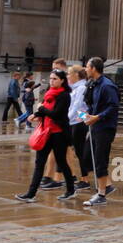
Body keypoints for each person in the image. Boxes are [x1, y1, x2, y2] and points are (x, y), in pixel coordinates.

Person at [15, 69, 76, 202]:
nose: (52, 81)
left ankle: (70, 189)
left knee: (61, 162)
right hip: (46, 132)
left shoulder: (65, 95)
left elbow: (56, 114)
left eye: (55, 79)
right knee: (39, 163)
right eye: (51, 78)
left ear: (62, 81)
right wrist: (36, 114)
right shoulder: (49, 93)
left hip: (59, 134)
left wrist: (41, 109)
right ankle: (31, 193)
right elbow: (46, 110)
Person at [81, 57, 120, 206]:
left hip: (105, 127)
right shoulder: (93, 84)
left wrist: (97, 117)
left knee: (100, 160)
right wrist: (85, 116)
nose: (85, 69)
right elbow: (90, 105)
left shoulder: (107, 86)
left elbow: (113, 107)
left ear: (93, 68)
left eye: (87, 67)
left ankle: (101, 194)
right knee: (86, 157)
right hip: (95, 126)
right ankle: (107, 185)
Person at [66, 65, 94, 191]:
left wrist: (66, 119)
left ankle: (85, 179)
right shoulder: (76, 87)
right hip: (75, 121)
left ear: (76, 75)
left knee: (80, 151)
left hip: (79, 122)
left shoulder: (82, 87)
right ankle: (81, 177)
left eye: (69, 73)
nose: (67, 76)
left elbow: (78, 107)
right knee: (77, 150)